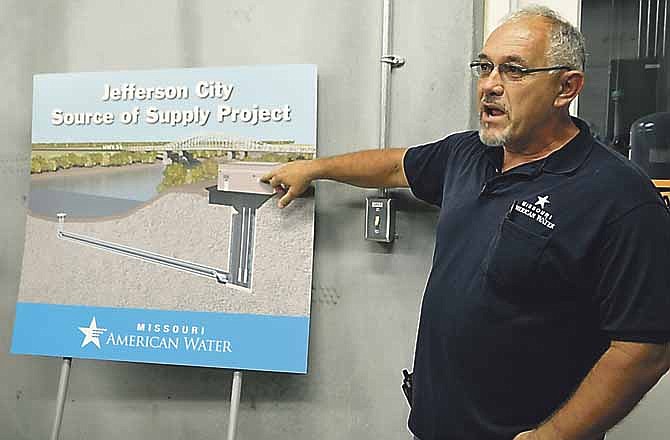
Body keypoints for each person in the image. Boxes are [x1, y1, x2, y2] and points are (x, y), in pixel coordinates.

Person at [261, 6, 670, 440]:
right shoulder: (468, 155)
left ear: (566, 88)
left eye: (513, 71)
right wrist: (316, 167)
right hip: (433, 426)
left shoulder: (619, 197)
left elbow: (644, 347)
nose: (490, 85)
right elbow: (394, 167)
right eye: (485, 67)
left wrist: (552, 437)